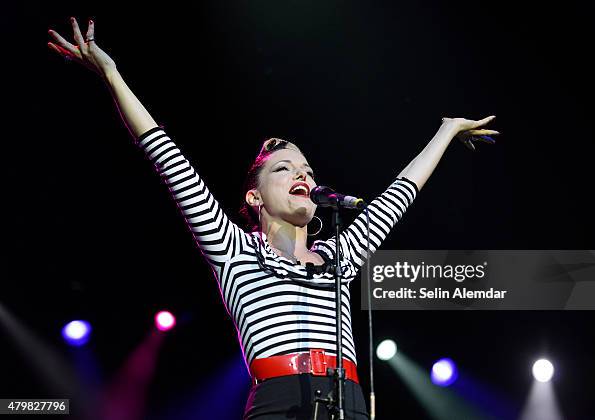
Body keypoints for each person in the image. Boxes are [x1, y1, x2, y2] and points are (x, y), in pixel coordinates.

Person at [47, 17, 499, 420]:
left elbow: (400, 194)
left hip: (349, 401)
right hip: (279, 402)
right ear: (254, 197)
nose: (302, 175)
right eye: (284, 169)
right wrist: (112, 74)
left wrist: (446, 130)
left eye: (307, 170)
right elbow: (166, 155)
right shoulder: (234, 249)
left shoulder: (339, 253)